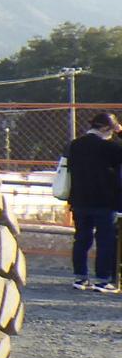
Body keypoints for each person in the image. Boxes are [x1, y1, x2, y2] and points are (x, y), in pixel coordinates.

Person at [64, 111, 122, 292]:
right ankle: (103, 280)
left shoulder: (75, 145)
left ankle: (80, 278)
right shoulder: (110, 147)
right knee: (106, 241)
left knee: (81, 239)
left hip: (80, 199)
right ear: (106, 128)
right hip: (105, 201)